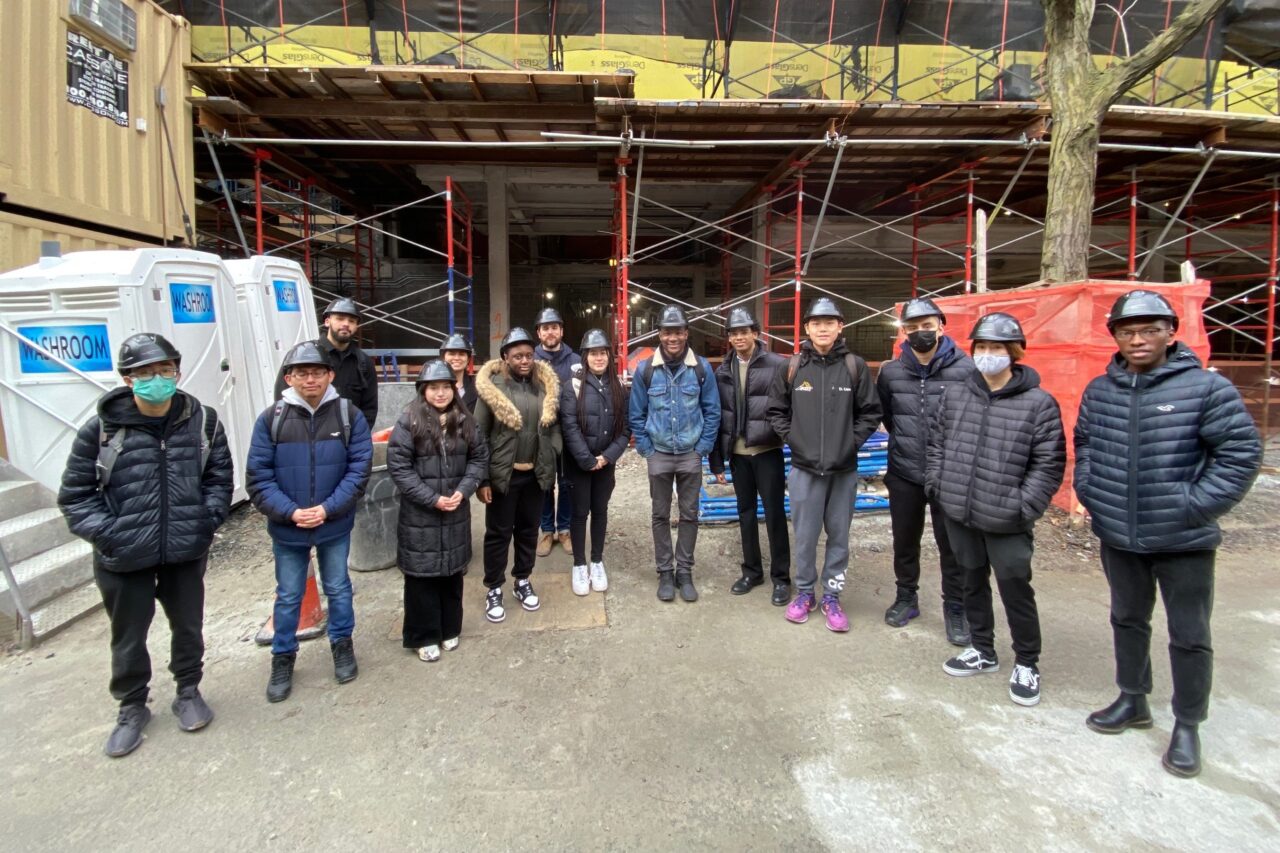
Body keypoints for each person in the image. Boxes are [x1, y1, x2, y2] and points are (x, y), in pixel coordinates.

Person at [1075, 289, 1261, 778]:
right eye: (1127, 331)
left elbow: (1240, 454)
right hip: (1119, 534)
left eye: (1149, 330)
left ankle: (1187, 724)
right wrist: (1093, 493)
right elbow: (1087, 445)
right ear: (1114, 335)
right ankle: (1133, 698)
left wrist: (1195, 505)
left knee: (1190, 635)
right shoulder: (1102, 390)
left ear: (1170, 332)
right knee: (1127, 620)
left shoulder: (1205, 389)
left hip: (1184, 541)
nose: (1138, 340)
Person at [58, 333, 233, 758]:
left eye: (164, 370)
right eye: (145, 373)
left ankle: (188, 689)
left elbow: (219, 481)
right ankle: (132, 706)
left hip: (184, 549)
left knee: (188, 624)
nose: (156, 379)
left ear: (178, 371)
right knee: (128, 635)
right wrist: (112, 534)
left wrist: (203, 523)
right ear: (127, 378)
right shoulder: (100, 431)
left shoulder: (203, 422)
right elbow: (75, 496)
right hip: (124, 556)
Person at [926, 313, 1065, 707]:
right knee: (970, 580)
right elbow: (936, 442)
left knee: (1015, 587)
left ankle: (1027, 661)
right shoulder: (956, 394)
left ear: (1014, 353)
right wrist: (939, 484)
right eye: (982, 348)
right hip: (960, 509)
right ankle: (982, 649)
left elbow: (1048, 462)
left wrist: (1025, 506)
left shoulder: (1037, 404)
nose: (988, 355)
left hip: (1007, 517)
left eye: (997, 348)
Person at [248, 341, 373, 703]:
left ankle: (342, 645)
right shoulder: (272, 419)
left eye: (317, 372)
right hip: (289, 527)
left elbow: (358, 469)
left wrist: (328, 508)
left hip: (333, 523)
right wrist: (289, 511)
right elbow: (257, 476)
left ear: (330, 375)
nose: (310, 379)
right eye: (302, 373)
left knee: (338, 587)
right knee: (288, 595)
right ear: (289, 378)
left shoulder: (349, 416)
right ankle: (283, 656)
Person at [767, 298, 881, 632]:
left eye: (829, 322)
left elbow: (871, 412)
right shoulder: (792, 367)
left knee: (839, 536)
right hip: (804, 470)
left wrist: (849, 444)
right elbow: (776, 410)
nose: (822, 328)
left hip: (843, 471)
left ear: (840, 327)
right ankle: (804, 593)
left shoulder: (854, 367)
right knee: (804, 536)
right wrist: (795, 441)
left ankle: (832, 595)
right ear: (806, 328)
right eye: (816, 323)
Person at [877, 297, 974, 643]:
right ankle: (906, 597)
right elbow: (889, 416)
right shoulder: (891, 372)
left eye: (927, 326)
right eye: (913, 327)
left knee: (952, 545)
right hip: (904, 471)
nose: (921, 333)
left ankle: (956, 607)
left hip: (949, 473)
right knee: (905, 540)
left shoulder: (966, 369)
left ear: (941, 326)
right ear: (903, 332)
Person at [386, 360, 489, 661]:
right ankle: (423, 635)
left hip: (455, 509)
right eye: (434, 388)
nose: (441, 393)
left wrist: (463, 490)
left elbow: (479, 458)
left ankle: (449, 628)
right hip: (422, 514)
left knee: (452, 571)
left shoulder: (465, 420)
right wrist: (431, 498)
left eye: (446, 387)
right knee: (422, 576)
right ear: (423, 390)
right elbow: (399, 467)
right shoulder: (409, 421)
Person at [629, 305, 721, 603]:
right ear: (660, 334)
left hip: (690, 454)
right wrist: (646, 449)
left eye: (678, 332)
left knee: (689, 514)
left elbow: (712, 411)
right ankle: (665, 571)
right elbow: (636, 414)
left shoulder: (701, 368)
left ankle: (685, 571)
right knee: (660, 514)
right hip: (659, 453)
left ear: (686, 333)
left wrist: (702, 448)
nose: (673, 338)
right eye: (667, 332)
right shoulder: (645, 369)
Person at [474, 327, 562, 622]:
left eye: (528, 355)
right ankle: (494, 587)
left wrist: (552, 454)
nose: (525, 360)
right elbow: (479, 437)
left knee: (527, 531)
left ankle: (522, 580)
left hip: (534, 476)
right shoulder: (493, 388)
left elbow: (553, 428)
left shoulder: (543, 387)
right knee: (498, 534)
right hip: (503, 477)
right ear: (505, 358)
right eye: (517, 356)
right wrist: (483, 479)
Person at [709, 307, 791, 606]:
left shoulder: (778, 365)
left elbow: (789, 407)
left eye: (744, 331)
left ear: (755, 333)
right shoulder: (723, 370)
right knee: (745, 514)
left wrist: (784, 436)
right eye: (734, 333)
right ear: (729, 338)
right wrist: (717, 460)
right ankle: (752, 571)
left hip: (767, 451)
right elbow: (718, 417)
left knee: (774, 514)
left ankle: (781, 578)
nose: (739, 337)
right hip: (738, 454)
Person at [559, 329, 630, 596]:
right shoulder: (572, 386)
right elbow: (569, 426)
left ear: (609, 357)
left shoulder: (619, 387)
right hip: (580, 464)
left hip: (605, 463)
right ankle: (579, 564)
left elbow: (625, 429)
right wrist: (587, 459)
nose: (598, 358)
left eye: (603, 353)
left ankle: (597, 561)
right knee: (579, 514)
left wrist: (607, 456)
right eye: (593, 353)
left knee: (600, 511)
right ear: (585, 356)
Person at [274, 296, 379, 427]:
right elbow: (282, 398)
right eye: (340, 318)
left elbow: (369, 410)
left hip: (346, 441)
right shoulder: (302, 354)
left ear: (356, 326)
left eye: (352, 321)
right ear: (327, 321)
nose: (346, 324)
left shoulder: (364, 363)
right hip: (304, 436)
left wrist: (355, 439)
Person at [533, 307, 581, 557]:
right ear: (539, 333)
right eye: (545, 328)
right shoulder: (530, 361)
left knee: (567, 482)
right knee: (544, 482)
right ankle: (546, 531)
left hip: (569, 430)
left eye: (554, 327)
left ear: (561, 331)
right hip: (541, 432)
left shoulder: (575, 361)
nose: (550, 332)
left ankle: (564, 529)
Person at [440, 332, 478, 413]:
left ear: (468, 359)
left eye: (461, 354)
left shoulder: (478, 386)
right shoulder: (434, 386)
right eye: (452, 354)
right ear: (443, 357)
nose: (457, 358)